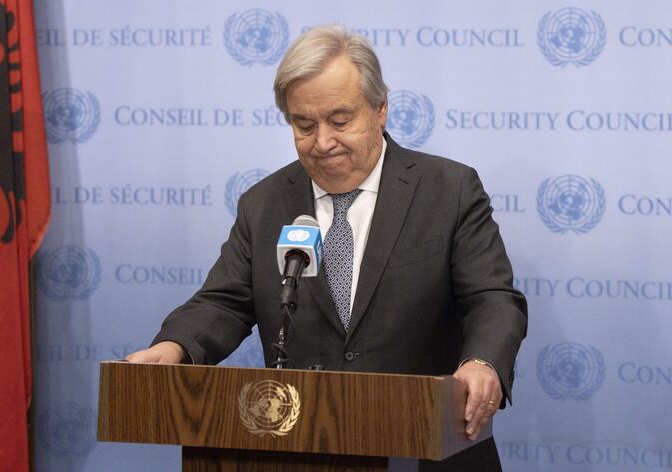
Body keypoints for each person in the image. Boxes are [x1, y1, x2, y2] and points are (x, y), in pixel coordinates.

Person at [127, 25, 527, 470]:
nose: (322, 142)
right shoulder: (264, 203)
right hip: (302, 449)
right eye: (304, 124)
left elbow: (491, 298)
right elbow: (224, 301)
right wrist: (174, 346)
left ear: (381, 109)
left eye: (340, 120)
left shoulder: (448, 190)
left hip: (425, 451)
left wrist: (482, 363)